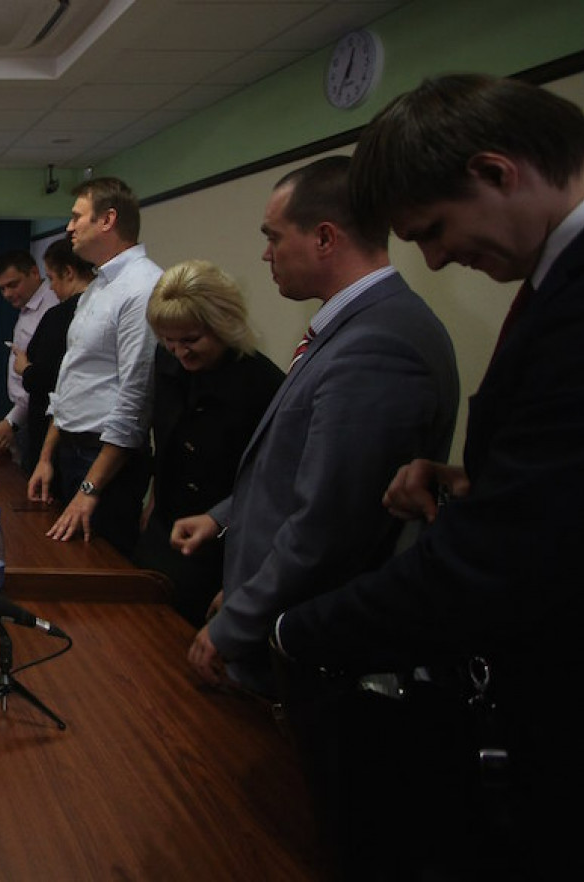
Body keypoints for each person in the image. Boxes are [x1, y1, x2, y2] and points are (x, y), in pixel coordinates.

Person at [274, 75, 584, 879]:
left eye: (436, 229)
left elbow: (503, 563)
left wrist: (291, 630)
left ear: (495, 172)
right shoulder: (555, 280)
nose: (441, 258)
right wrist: (472, 479)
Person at [172, 156, 459, 695]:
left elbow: (330, 524)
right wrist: (225, 526)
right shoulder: (351, 328)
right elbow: (296, 470)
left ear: (324, 237)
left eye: (274, 237)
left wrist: (241, 616)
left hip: (312, 645)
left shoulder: (379, 343)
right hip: (278, 613)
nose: (265, 253)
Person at [130, 260, 283, 626]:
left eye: (191, 340)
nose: (180, 352)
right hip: (163, 528)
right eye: (169, 340)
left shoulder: (264, 385)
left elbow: (270, 485)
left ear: (224, 325)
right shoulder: (165, 360)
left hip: (223, 546)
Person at [27, 177, 161, 558]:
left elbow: (135, 401)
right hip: (69, 449)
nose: (69, 227)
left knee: (98, 572)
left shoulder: (142, 286)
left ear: (108, 220)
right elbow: (71, 380)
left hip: (104, 464)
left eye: (76, 217)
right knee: (60, 562)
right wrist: (46, 457)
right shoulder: (99, 285)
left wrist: (90, 489)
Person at [13, 238, 93, 476]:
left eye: (51, 278)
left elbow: (48, 379)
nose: (50, 288)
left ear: (69, 272)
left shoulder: (59, 316)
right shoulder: (103, 308)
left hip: (57, 432)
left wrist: (24, 369)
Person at [0, 250, 57, 469]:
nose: (6, 293)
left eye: (13, 285)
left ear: (35, 273)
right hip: (24, 414)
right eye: (2, 288)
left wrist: (12, 421)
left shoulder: (51, 309)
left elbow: (45, 378)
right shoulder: (27, 307)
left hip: (42, 416)